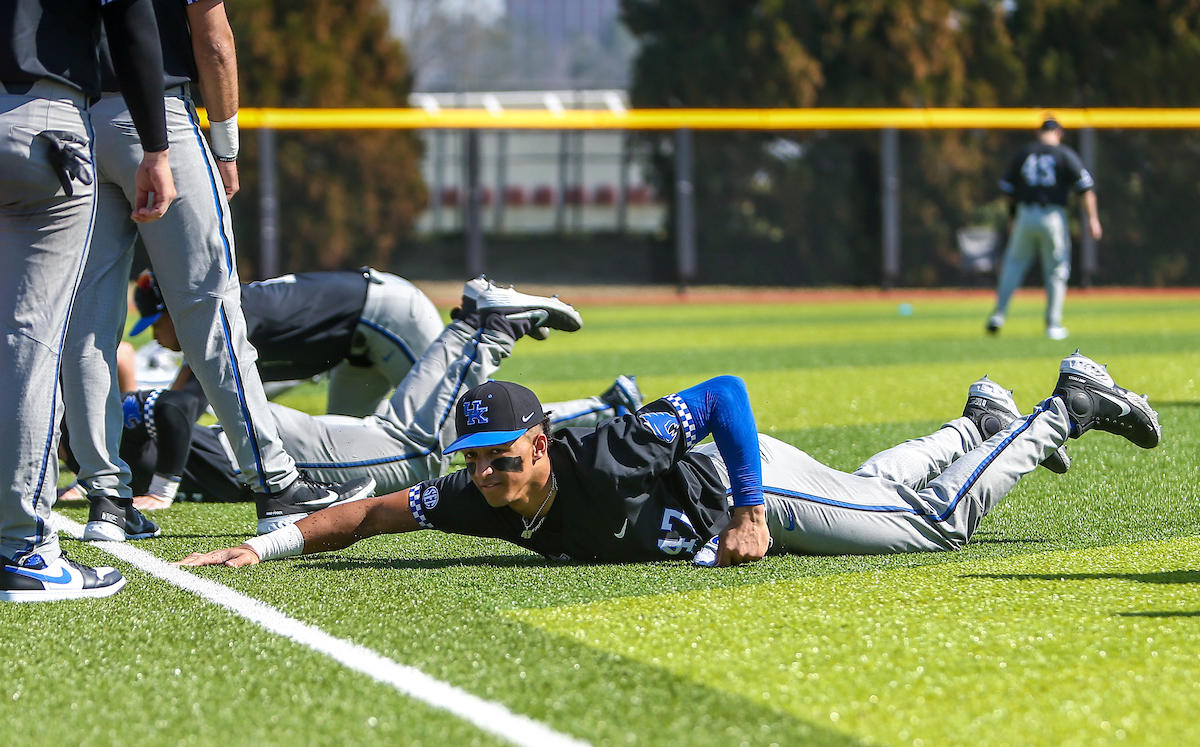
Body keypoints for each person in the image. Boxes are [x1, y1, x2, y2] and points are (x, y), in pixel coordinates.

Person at [176, 352, 1160, 570]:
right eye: (473, 458)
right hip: (737, 483)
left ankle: (1062, 405)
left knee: (929, 525)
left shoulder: (606, 443)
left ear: (539, 443)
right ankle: (974, 421)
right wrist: (264, 548)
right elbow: (372, 510)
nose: (483, 472)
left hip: (740, 476)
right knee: (882, 489)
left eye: (499, 456)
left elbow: (727, 392)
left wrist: (748, 510)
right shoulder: (481, 496)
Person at [57, 0, 376, 546]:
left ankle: (106, 500)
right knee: (213, 315)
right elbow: (215, 40)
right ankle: (275, 487)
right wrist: (226, 149)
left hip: (73, 121)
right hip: (158, 120)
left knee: (87, 325)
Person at [60, 279, 639, 510]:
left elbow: (179, 405)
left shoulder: (217, 316)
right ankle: (596, 408)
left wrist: (156, 489)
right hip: (313, 397)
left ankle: (485, 326)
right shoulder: (208, 319)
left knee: (427, 445)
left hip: (380, 315)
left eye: (156, 325)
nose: (159, 338)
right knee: (431, 441)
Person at [1, 0, 177, 601]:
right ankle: (22, 547)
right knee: (30, 344)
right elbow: (132, 17)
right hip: (42, 119)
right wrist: (156, 145)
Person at [129, 267, 445, 419]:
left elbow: (187, 403)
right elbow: (180, 398)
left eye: (157, 323)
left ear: (176, 312)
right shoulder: (217, 320)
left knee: (445, 410)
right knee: (346, 444)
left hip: (387, 311)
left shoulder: (225, 320)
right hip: (354, 345)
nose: (155, 336)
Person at [987, 118, 1102, 340]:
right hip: (1052, 216)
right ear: (1059, 132)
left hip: (1024, 214)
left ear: (1038, 132)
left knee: (1013, 265)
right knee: (1056, 269)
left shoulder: (1024, 153)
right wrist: (1093, 219)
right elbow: (1086, 189)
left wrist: (1012, 219)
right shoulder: (1064, 154)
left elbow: (1008, 191)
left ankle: (998, 315)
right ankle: (1053, 323)